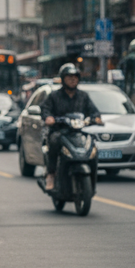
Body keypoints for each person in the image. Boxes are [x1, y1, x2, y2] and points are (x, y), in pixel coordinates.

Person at [41, 63, 102, 191]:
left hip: (78, 133)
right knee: (53, 141)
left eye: (75, 77)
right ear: (63, 79)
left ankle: (92, 180)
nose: (73, 79)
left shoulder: (83, 96)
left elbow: (93, 111)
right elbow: (45, 110)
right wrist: (48, 118)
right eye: (69, 77)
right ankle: (51, 174)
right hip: (60, 131)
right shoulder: (54, 96)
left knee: (93, 147)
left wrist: (95, 118)